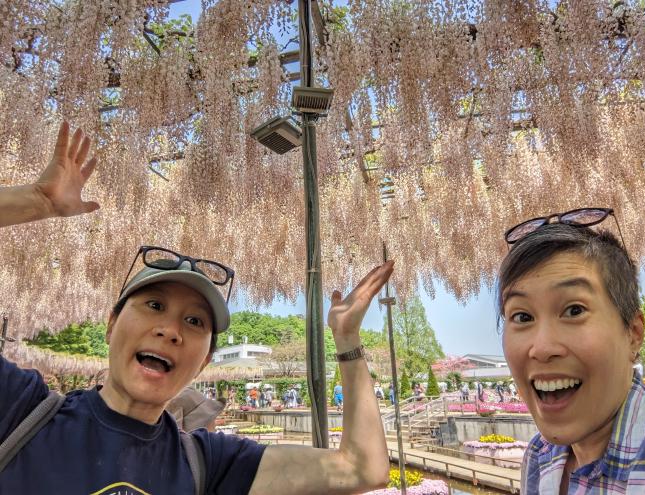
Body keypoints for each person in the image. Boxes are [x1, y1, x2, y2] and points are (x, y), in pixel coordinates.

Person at [0, 122, 393, 494]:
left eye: (194, 321)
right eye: (154, 305)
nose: (171, 330)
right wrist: (33, 201)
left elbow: (363, 468)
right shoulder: (20, 411)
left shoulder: (208, 464)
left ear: (204, 361)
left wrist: (347, 340)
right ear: (111, 324)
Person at [499, 210, 645, 494]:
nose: (543, 349)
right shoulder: (540, 456)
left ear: (633, 335)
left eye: (574, 310)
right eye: (523, 317)